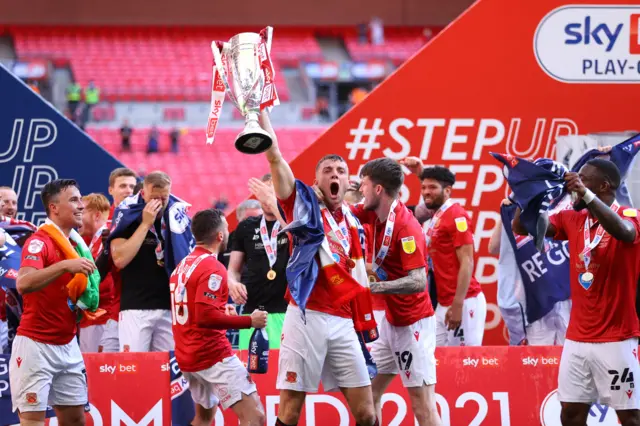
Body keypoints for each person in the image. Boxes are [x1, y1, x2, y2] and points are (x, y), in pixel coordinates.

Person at [261, 111, 378, 426]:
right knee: (290, 411)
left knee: (367, 413)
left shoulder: (353, 219)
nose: (335, 174)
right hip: (306, 314)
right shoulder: (303, 206)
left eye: (341, 170)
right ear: (317, 181)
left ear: (347, 180)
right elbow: (275, 158)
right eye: (328, 170)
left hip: (343, 320)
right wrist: (259, 114)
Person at [513, 159, 640, 426]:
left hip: (616, 338)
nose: (575, 185)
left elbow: (625, 234)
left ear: (604, 186)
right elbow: (524, 226)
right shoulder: (573, 217)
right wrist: (527, 194)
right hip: (577, 339)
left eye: (584, 179)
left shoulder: (630, 216)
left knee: (629, 417)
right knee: (570, 414)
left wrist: (585, 193)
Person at [351, 158, 441, 425]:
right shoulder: (372, 212)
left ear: (378, 189)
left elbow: (418, 281)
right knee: (368, 394)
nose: (360, 191)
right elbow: (340, 211)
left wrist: (373, 287)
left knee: (423, 407)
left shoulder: (405, 226)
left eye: (364, 185)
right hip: (390, 322)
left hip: (414, 324)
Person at [171, 208, 267, 426]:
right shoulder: (212, 266)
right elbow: (205, 317)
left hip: (188, 357)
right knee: (256, 418)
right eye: (226, 227)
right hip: (212, 355)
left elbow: (193, 311)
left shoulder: (183, 266)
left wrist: (221, 311)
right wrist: (249, 321)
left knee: (204, 418)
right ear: (220, 236)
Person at [10, 179, 94, 426]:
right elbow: (23, 283)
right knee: (33, 422)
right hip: (36, 345)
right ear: (54, 208)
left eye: (81, 199)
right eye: (74, 200)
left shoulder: (77, 244)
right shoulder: (39, 241)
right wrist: (64, 266)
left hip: (68, 344)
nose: (81, 205)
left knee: (76, 420)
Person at [402, 157, 486, 346]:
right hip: (443, 303)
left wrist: (458, 304)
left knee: (465, 365)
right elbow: (419, 210)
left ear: (447, 191)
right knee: (435, 360)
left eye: (432, 188)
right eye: (423, 188)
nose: (425, 192)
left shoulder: (456, 215)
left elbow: (467, 261)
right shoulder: (437, 214)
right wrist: (420, 174)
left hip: (464, 302)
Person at [489, 197, 571, 346]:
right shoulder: (514, 208)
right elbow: (493, 248)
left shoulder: (566, 201)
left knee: (569, 357)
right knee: (537, 361)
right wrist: (505, 217)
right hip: (535, 301)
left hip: (566, 297)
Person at [110, 171, 174, 352]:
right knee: (133, 369)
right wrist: (145, 224)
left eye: (164, 197)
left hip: (168, 307)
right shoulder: (127, 213)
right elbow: (119, 260)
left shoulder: (176, 214)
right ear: (143, 193)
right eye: (154, 198)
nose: (159, 203)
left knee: (169, 372)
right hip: (135, 307)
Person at [228, 174, 289, 350]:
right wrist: (232, 282)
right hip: (253, 313)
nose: (267, 196)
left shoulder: (293, 223)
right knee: (251, 371)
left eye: (272, 191)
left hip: (286, 312)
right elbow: (233, 269)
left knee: (286, 372)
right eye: (263, 191)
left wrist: (276, 206)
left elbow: (297, 235)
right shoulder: (246, 227)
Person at [78, 193, 118, 353]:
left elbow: (105, 282)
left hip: (102, 317)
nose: (78, 216)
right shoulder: (93, 242)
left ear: (96, 215)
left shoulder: (107, 239)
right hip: (91, 318)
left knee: (99, 370)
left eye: (82, 212)